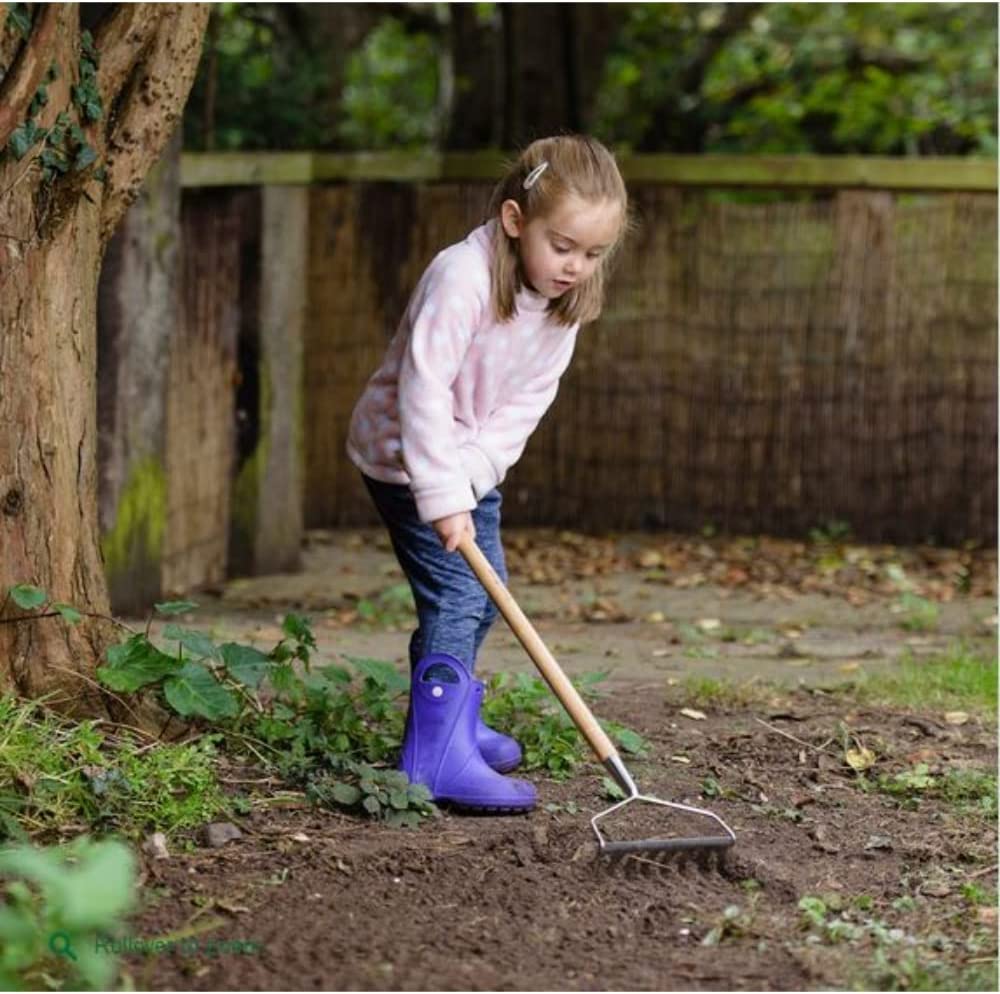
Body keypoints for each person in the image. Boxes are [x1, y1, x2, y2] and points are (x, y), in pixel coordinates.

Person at [346, 134, 629, 812]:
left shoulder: (564, 304)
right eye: (562, 247)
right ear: (514, 220)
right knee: (461, 597)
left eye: (593, 255)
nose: (575, 267)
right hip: (405, 457)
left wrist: (473, 472)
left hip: (466, 461)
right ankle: (435, 759)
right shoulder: (462, 276)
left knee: (484, 591)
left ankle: (451, 725)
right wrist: (441, 493)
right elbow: (423, 386)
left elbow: (527, 401)